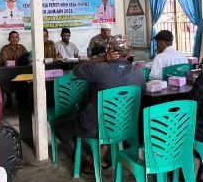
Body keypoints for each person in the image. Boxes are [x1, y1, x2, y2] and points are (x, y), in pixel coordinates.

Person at [55, 35, 145, 170]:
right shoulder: (139, 72)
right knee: (108, 119)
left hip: (94, 126)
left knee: (60, 126)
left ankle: (86, 159)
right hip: (124, 125)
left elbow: (76, 69)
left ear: (109, 51)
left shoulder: (100, 69)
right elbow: (142, 93)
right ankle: (102, 153)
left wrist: (102, 58)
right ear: (129, 53)